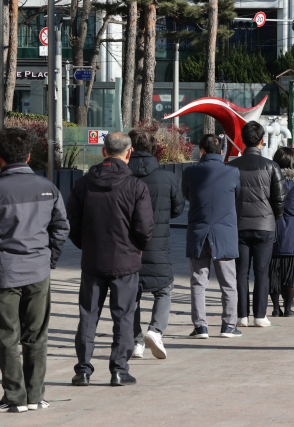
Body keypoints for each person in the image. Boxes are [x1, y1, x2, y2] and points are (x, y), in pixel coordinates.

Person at [0, 128, 69, 413]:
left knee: (6, 335)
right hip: (39, 271)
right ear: (27, 156)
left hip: (3, 272)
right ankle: (35, 395)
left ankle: (15, 397)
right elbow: (62, 227)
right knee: (36, 335)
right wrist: (48, 259)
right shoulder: (47, 187)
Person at [67, 131, 154, 387]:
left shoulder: (83, 183)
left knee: (88, 315)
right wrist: (134, 247)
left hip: (93, 259)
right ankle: (119, 369)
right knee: (124, 316)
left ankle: (83, 370)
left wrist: (86, 245)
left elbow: (72, 223)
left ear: (103, 152)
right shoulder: (136, 186)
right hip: (125, 261)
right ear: (129, 154)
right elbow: (145, 229)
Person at [127, 130, 184, 359]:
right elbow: (178, 209)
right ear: (154, 150)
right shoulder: (167, 177)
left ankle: (136, 341)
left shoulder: (123, 177)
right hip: (158, 242)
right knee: (164, 288)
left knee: (131, 294)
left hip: (128, 245)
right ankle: (155, 330)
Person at [228, 121, 287, 327]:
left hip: (238, 225)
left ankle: (241, 315)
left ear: (243, 141)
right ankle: (260, 316)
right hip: (265, 225)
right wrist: (273, 217)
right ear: (262, 141)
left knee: (241, 272)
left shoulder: (231, 167)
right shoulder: (272, 167)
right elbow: (280, 199)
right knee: (262, 271)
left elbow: (228, 197)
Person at [183, 134, 242, 338]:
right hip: (224, 232)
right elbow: (236, 195)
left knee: (198, 282)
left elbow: (186, 194)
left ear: (202, 151)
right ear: (221, 152)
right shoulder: (233, 172)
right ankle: (228, 325)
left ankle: (200, 327)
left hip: (198, 232)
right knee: (228, 282)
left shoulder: (190, 171)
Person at [268, 147, 294, 317]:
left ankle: (276, 308)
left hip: (273, 231)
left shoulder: (269, 181)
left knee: (273, 272)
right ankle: (288, 308)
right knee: (292, 273)